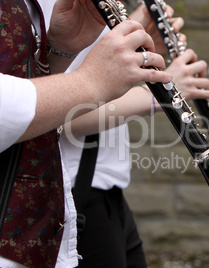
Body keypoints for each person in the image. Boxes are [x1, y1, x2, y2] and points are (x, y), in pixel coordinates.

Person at [0, 0, 172, 266]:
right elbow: (61, 115)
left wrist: (60, 51)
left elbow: (33, 86)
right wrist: (152, 96)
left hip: (65, 199)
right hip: (77, 186)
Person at [58, 3, 209, 267]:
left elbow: (91, 67)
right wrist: (161, 94)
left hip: (107, 191)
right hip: (75, 193)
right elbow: (66, 113)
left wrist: (137, 34)